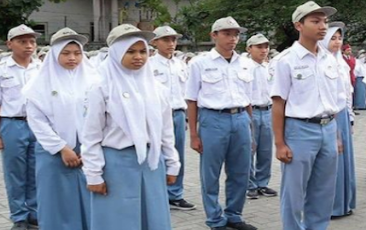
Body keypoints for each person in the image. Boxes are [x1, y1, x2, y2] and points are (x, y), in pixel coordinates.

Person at [82, 24, 181, 230]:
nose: (138, 57)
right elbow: (91, 136)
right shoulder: (101, 88)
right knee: (117, 220)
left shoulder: (156, 88)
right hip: (116, 165)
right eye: (131, 51)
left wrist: (172, 163)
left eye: (143, 51)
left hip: (151, 163)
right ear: (117, 53)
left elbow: (166, 131)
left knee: (152, 217)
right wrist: (93, 174)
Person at [270, 1, 341, 230]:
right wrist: (280, 143)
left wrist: (336, 134)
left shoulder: (329, 59)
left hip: (328, 128)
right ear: (298, 25)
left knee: (323, 191)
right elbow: (278, 104)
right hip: (300, 130)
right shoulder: (285, 60)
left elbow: (333, 100)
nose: (322, 26)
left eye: (324, 22)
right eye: (315, 21)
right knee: (294, 192)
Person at [185, 17, 257, 230]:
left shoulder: (245, 63)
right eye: (227, 33)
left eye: (236, 34)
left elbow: (248, 99)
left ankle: (234, 215)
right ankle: (215, 219)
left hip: (240, 118)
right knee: (211, 173)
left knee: (240, 171)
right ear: (214, 35)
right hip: (213, 119)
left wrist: (250, 129)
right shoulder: (200, 63)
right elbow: (191, 100)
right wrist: (194, 135)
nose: (232, 38)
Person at [23, 28, 97, 230]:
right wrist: (62, 148)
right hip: (53, 153)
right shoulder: (38, 84)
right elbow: (37, 121)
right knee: (56, 202)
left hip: (88, 151)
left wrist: (89, 145)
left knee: (89, 199)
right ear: (55, 54)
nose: (72, 58)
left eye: (77, 53)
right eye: (66, 53)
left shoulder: (94, 80)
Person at [148, 25, 196, 211]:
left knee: (177, 156)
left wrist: (186, 118)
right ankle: (158, 194)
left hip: (177, 114)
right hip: (158, 116)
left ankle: (175, 194)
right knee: (157, 155)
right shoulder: (149, 65)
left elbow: (186, 93)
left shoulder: (180, 64)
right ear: (155, 42)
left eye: (173, 40)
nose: (171, 44)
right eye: (166, 40)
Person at [0, 24, 42, 230]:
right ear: (10, 44)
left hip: (38, 124)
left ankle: (34, 212)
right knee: (14, 172)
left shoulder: (41, 68)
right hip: (12, 124)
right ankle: (18, 216)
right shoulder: (2, 70)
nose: (29, 46)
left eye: (32, 41)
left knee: (36, 169)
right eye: (22, 41)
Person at [320, 22, 356, 218]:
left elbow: (348, 93)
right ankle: (331, 206)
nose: (337, 42)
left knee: (345, 161)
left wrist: (350, 118)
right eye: (333, 38)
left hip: (342, 115)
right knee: (331, 161)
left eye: (339, 38)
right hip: (328, 116)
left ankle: (344, 203)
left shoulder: (341, 62)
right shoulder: (322, 61)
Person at [245, 34, 278, 200]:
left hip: (268, 110)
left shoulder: (269, 67)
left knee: (266, 149)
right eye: (259, 47)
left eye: (266, 47)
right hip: (251, 111)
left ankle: (262, 183)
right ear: (249, 48)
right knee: (250, 148)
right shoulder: (245, 67)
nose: (263, 50)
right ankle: (250, 184)